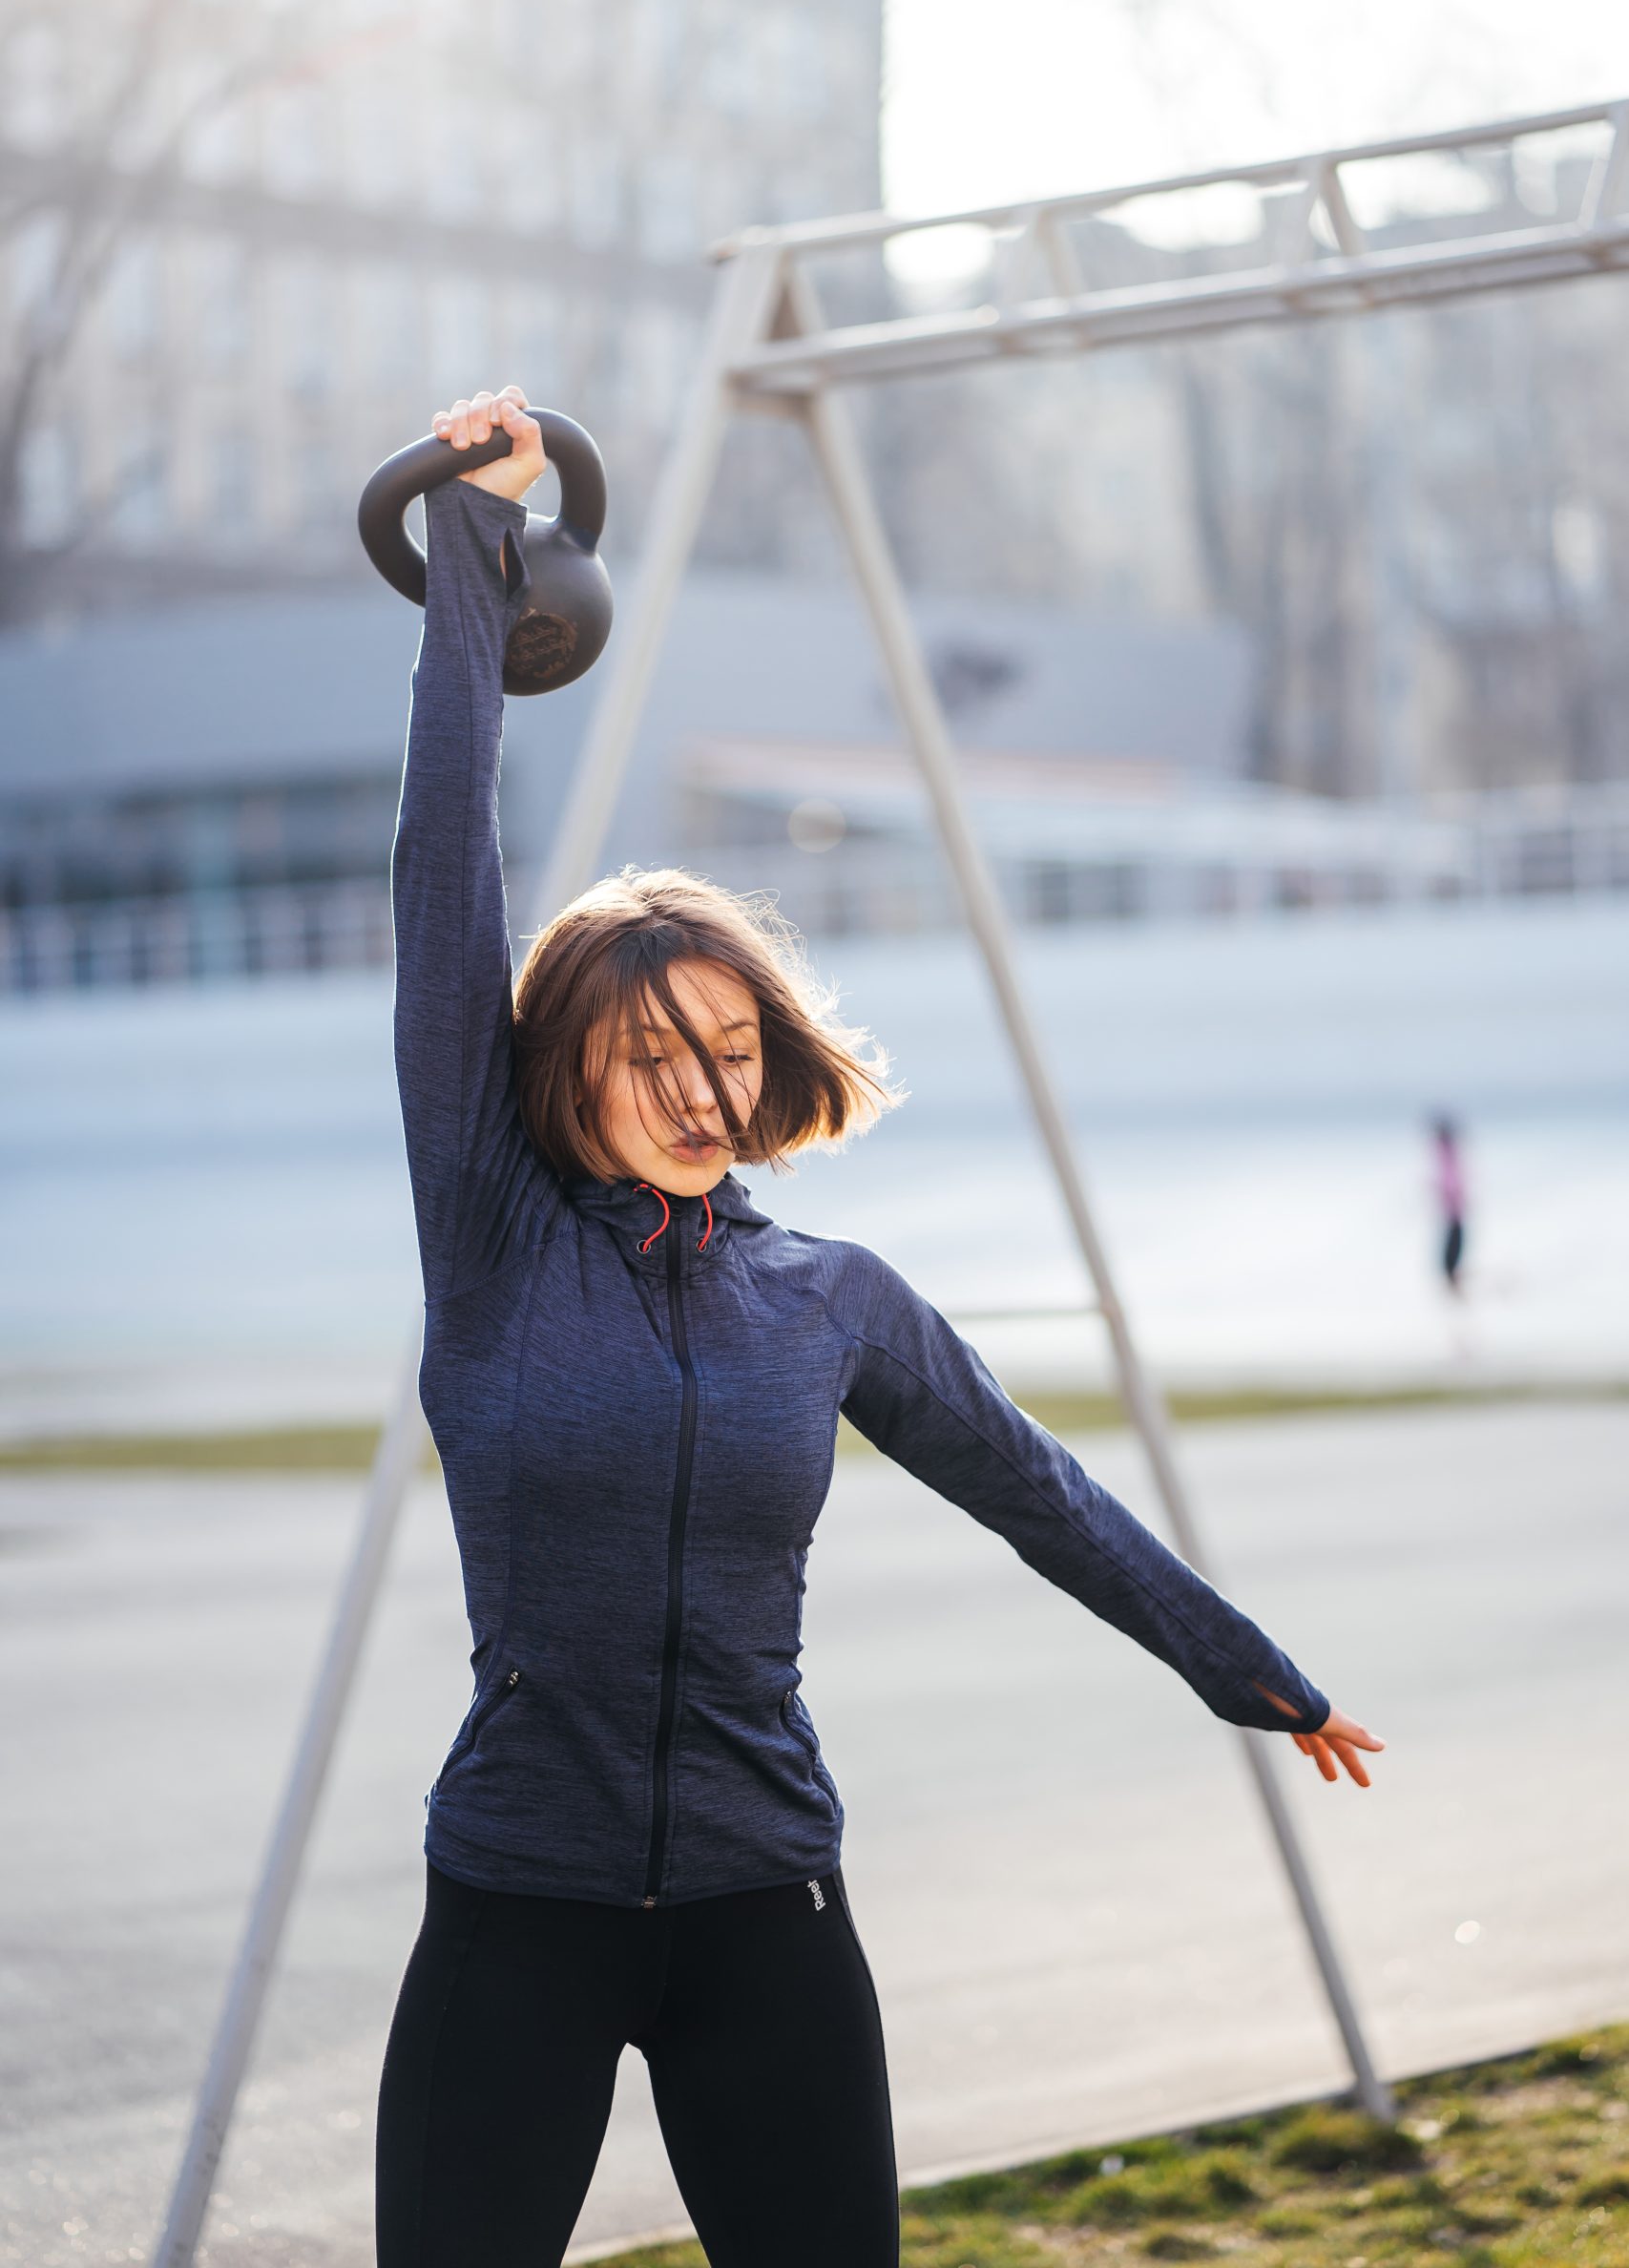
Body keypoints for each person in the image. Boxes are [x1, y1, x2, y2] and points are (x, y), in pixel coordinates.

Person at [374, 385, 1385, 2268]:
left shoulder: (827, 1297)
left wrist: (1253, 1669)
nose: (697, 1084)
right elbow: (448, 878)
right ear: (557, 1071)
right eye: (649, 1052)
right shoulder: (491, 1241)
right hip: (517, 1894)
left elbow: (1043, 1493)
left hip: (771, 1902)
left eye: (730, 1051)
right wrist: (468, 546)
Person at [1431, 1113, 1469, 1294]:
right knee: (1454, 1241)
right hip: (1452, 1206)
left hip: (1453, 1205)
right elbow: (1449, 1177)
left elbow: (1450, 1177)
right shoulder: (1446, 1150)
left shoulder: (1446, 1150)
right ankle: (1452, 1278)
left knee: (1454, 1241)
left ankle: (1452, 1278)